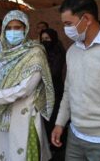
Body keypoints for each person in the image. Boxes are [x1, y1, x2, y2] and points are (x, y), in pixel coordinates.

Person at [51, 0, 100, 161]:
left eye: (68, 24)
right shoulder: (72, 51)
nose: (65, 29)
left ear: (86, 19)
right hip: (75, 137)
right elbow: (68, 92)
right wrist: (60, 123)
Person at [0, 10, 54, 161]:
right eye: (8, 28)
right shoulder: (5, 52)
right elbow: (2, 80)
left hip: (23, 114)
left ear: (25, 29)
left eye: (17, 27)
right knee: (5, 153)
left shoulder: (35, 53)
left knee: (22, 154)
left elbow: (24, 89)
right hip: (3, 113)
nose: (12, 31)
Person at [40, 28, 66, 159]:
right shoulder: (41, 53)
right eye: (43, 39)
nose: (45, 42)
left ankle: (56, 146)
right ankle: (48, 146)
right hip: (43, 91)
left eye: (47, 39)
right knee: (45, 119)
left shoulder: (58, 51)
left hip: (55, 90)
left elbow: (54, 73)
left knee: (54, 118)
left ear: (53, 39)